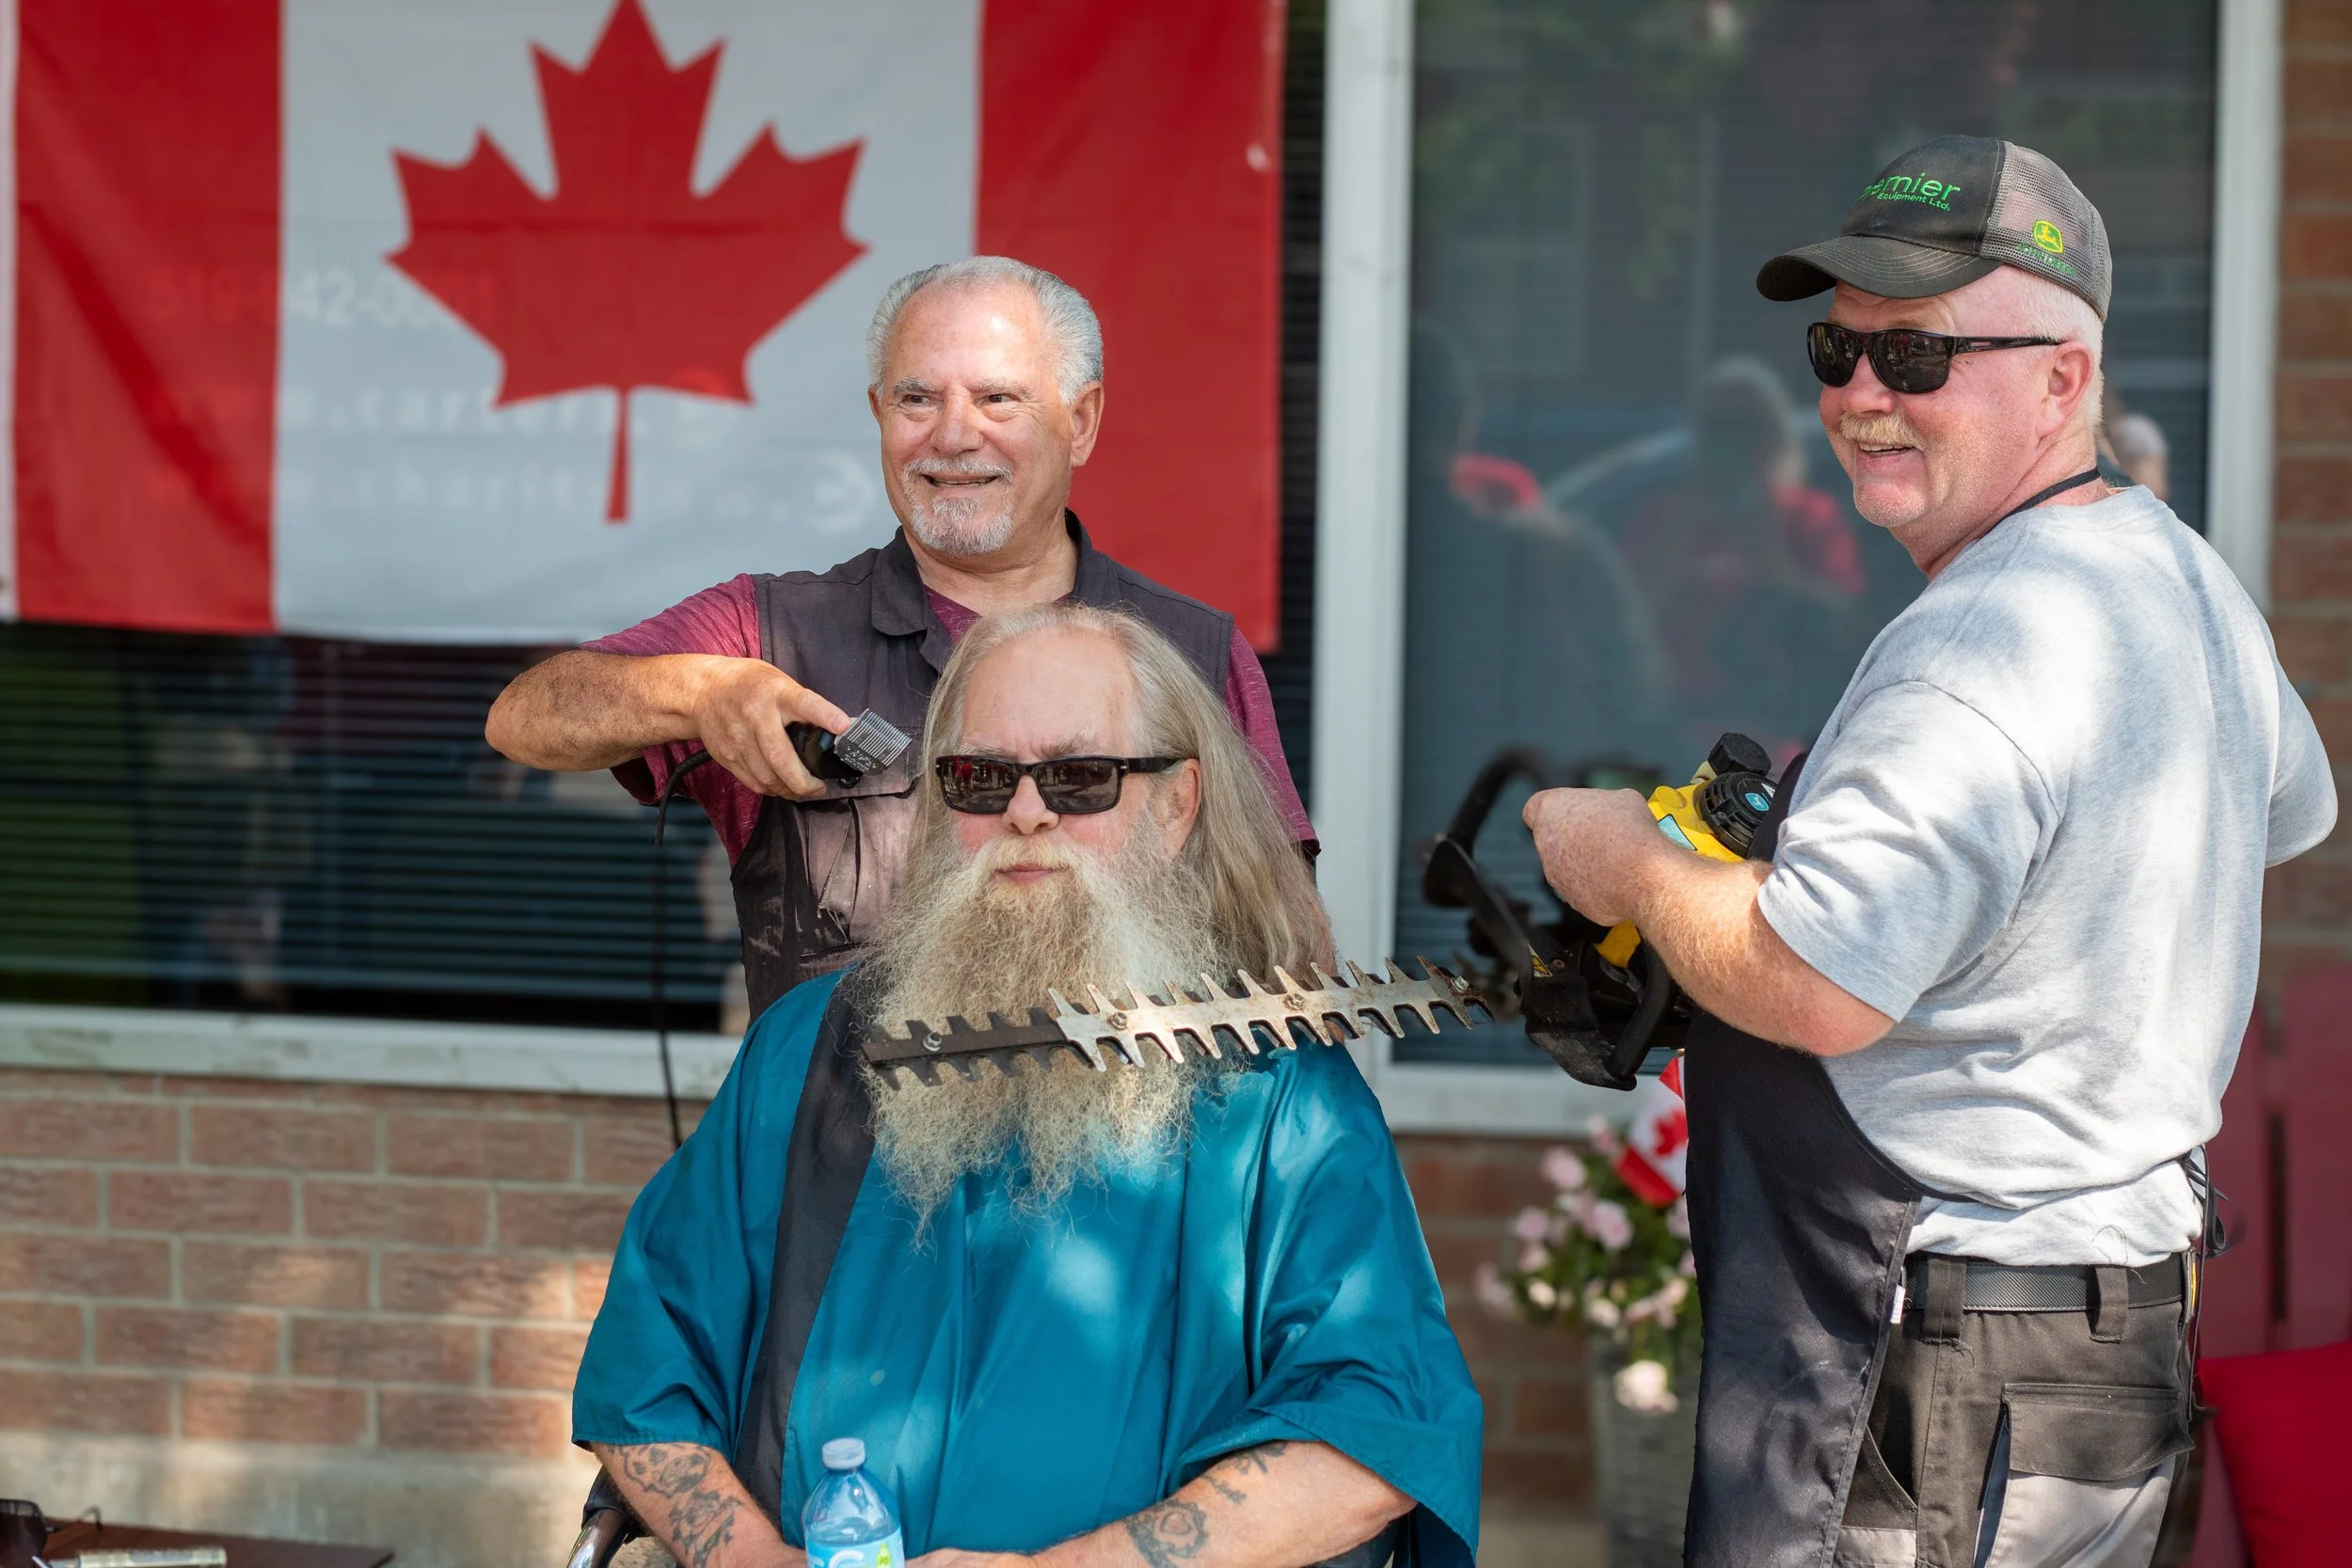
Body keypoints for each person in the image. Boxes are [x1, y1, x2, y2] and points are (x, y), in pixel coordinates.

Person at [1521, 136, 2334, 1566]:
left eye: (1918, 357)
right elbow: (2286, 808)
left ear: (2064, 380)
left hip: (1929, 1370)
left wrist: (1620, 858)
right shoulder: (2180, 575)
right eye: (1839, 349)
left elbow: (1818, 985)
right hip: (2108, 1341)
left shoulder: (1979, 643)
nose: (1856, 398)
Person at [573, 604, 1483, 1568]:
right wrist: (752, 1559)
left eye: (1080, 776)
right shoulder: (811, 1049)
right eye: (979, 777)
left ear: (1176, 806)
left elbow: (1373, 1433)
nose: (1026, 812)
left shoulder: (1279, 1090)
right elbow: (645, 1369)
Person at [484, 257, 1311, 1024]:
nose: (953, 436)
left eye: (998, 399)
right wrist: (699, 691)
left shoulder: (1195, 651)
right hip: (846, 1173)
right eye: (918, 399)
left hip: (1140, 1168)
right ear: (880, 415)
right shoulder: (772, 633)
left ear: (1081, 421)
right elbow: (522, 720)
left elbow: (1285, 949)